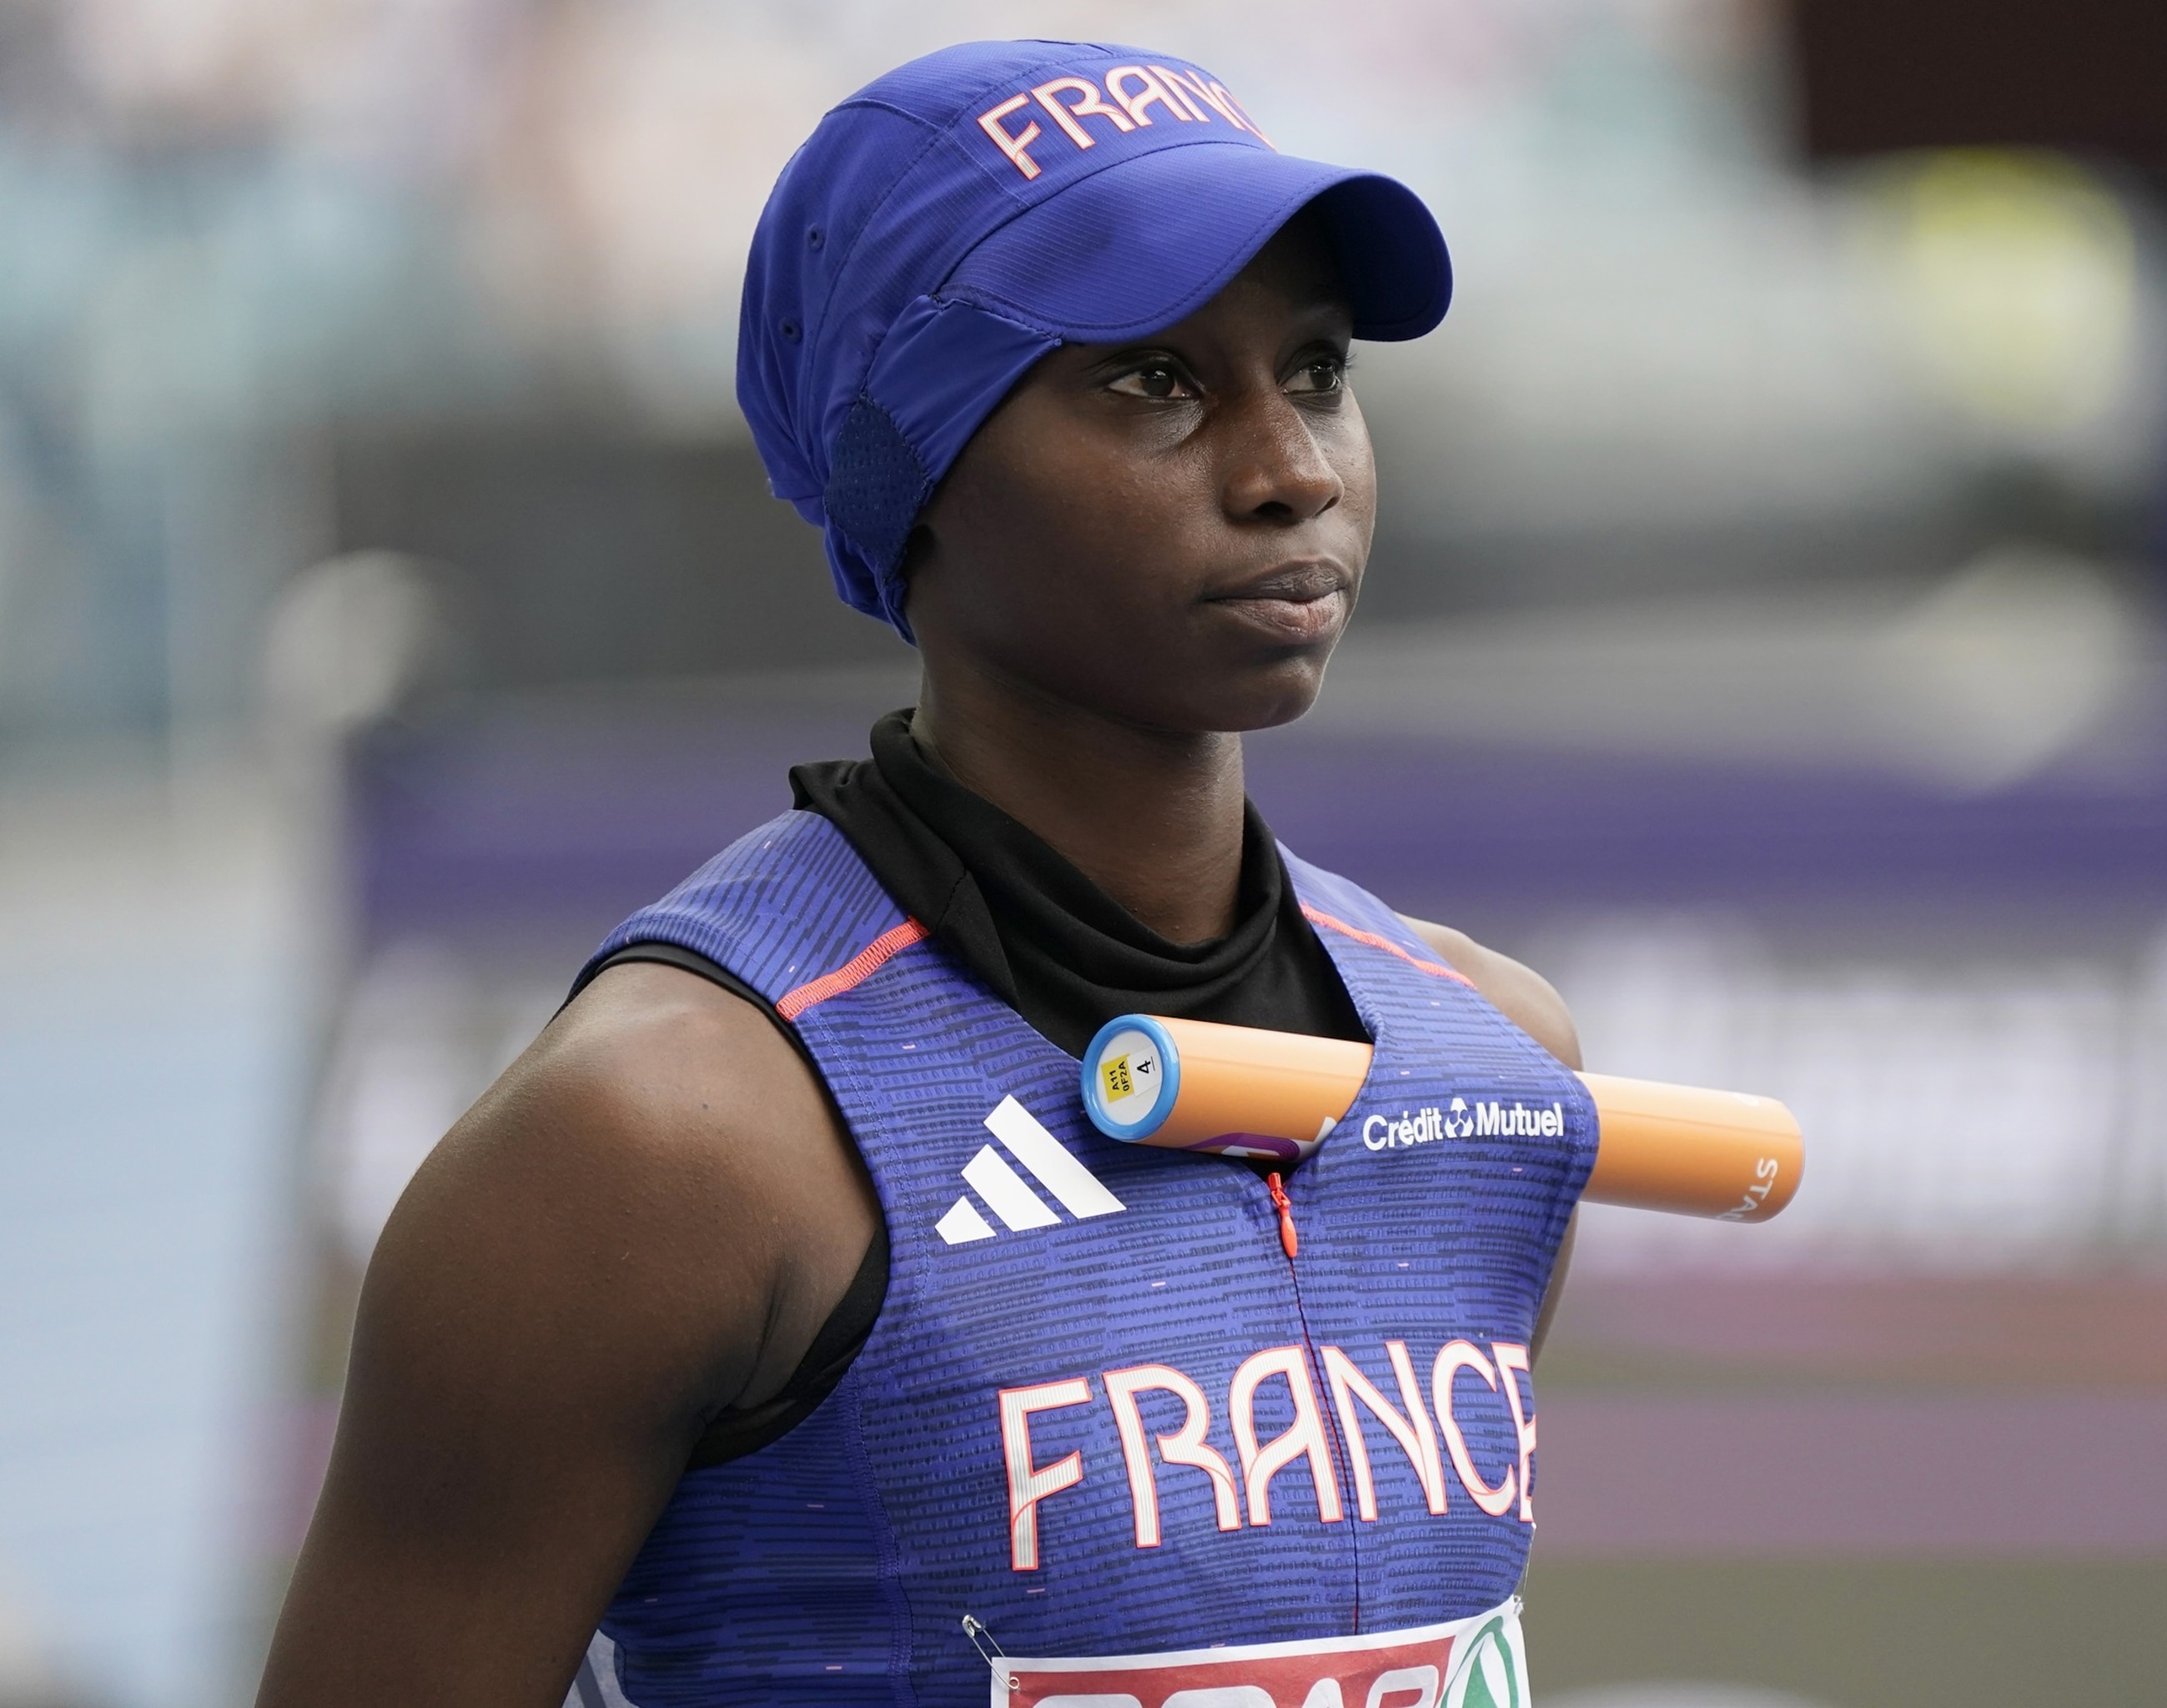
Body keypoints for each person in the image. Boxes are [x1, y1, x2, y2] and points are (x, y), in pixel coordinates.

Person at [256, 39, 1591, 1708]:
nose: (1290, 471)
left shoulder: (1495, 1060)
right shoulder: (660, 1144)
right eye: (1155, 383)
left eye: (1315, 370)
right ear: (917, 453)